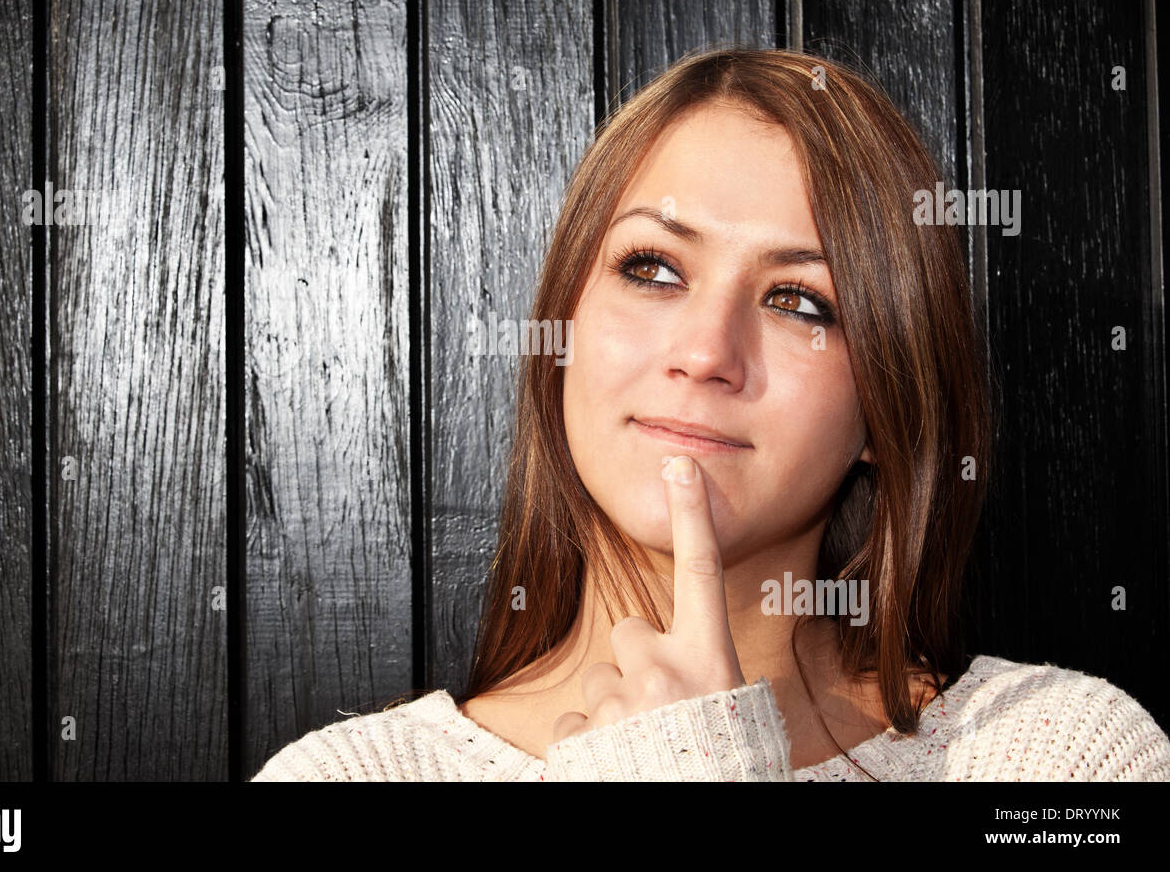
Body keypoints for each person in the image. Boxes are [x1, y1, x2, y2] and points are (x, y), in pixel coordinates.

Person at [252, 46, 1170, 781]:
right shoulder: (351, 775)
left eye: (801, 302)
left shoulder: (1057, 758)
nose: (704, 352)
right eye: (652, 269)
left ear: (888, 413)